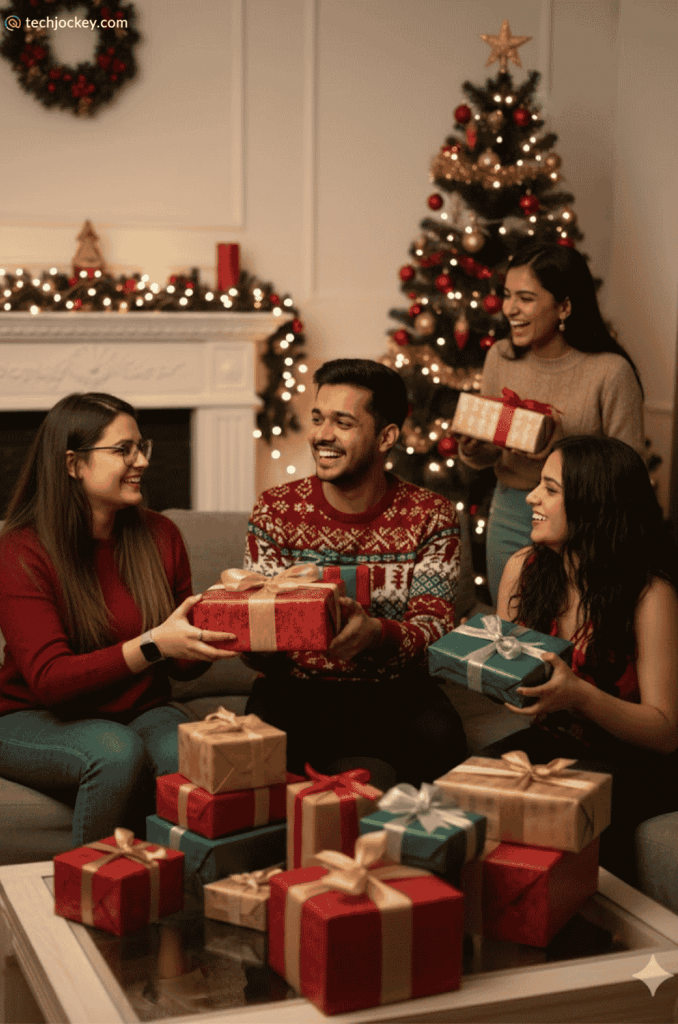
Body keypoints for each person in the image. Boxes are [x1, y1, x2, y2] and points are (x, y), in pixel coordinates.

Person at [0, 392, 236, 846]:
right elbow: (50, 680)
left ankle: (184, 900)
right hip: (34, 715)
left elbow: (181, 666)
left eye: (141, 446)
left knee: (194, 753)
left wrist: (217, 632)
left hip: (141, 710)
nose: (140, 461)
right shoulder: (20, 550)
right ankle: (95, 897)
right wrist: (154, 644)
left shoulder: (160, 535)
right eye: (123, 450)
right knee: (115, 753)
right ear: (73, 464)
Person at [243, 358, 467, 788]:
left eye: (342, 422)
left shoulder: (430, 514)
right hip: (296, 690)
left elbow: (436, 632)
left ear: (386, 437)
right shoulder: (276, 509)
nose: (322, 435)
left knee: (443, 740)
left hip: (395, 692)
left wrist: (377, 634)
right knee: (252, 753)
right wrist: (254, 634)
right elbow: (259, 643)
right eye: (318, 419)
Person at [482, 434, 678, 884]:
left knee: (561, 827)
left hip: (637, 761)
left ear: (594, 504)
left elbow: (666, 731)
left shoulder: (650, 595)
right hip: (555, 746)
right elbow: (506, 681)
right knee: (464, 794)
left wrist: (578, 696)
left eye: (550, 489)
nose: (531, 496)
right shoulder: (522, 570)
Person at [457, 242, 645, 603]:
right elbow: (491, 455)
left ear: (565, 306)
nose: (510, 308)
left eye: (525, 298)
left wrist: (562, 445)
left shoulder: (611, 372)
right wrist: (476, 449)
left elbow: (627, 472)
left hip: (583, 521)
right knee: (513, 627)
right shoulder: (500, 356)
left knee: (570, 627)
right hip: (511, 511)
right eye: (507, 295)